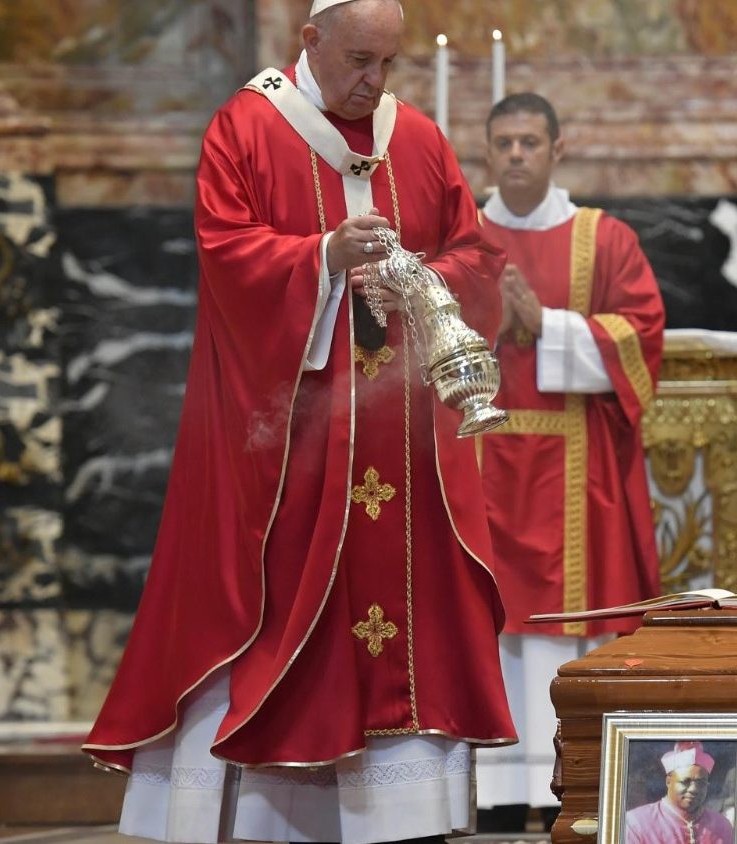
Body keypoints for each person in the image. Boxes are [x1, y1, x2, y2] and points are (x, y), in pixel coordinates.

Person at [81, 2, 516, 842]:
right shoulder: (245, 130)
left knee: (410, 611)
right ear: (310, 39)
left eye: (388, 64)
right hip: (289, 451)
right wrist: (322, 259)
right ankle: (271, 815)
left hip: (401, 445)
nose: (373, 82)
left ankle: (398, 814)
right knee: (274, 602)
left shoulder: (417, 139)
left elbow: (473, 255)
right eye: (359, 59)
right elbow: (228, 255)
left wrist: (415, 289)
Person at [474, 92, 666, 831]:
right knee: (492, 621)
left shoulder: (604, 239)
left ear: (559, 149)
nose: (517, 154)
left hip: (574, 467)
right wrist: (490, 323)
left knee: (563, 625)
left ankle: (572, 781)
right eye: (504, 143)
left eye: (530, 141)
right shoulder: (460, 238)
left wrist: (544, 325)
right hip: (480, 461)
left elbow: (642, 338)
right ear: (485, 154)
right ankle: (495, 788)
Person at [624, 742, 735, 844]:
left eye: (701, 783)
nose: (693, 789)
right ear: (668, 782)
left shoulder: (722, 826)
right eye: (685, 782)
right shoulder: (637, 823)